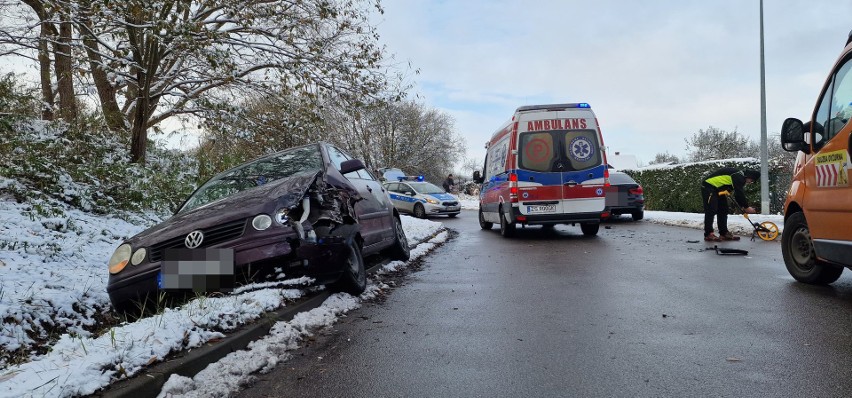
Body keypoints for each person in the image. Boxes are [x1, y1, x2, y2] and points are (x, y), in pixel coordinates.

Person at [701, 168, 759, 242]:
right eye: (752, 181)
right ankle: (708, 234)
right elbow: (739, 194)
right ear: (750, 177)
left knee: (723, 210)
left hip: (719, 189)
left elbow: (733, 189)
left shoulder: (740, 175)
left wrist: (743, 206)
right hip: (708, 186)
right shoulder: (739, 177)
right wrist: (746, 207)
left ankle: (724, 233)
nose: (750, 183)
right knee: (711, 210)